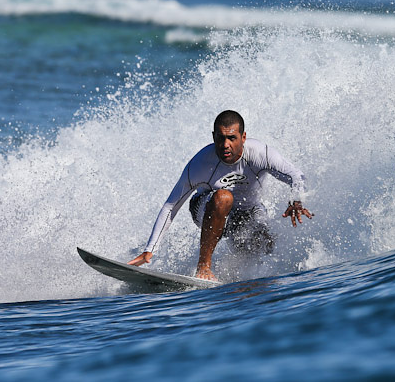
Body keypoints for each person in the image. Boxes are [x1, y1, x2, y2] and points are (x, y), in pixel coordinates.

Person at [127, 110, 313, 281]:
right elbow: (170, 206)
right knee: (224, 198)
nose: (225, 145)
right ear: (213, 137)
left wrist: (296, 200)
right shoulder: (201, 162)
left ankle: (236, 278)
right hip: (206, 208)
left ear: (243, 137)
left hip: (247, 212)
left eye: (232, 138)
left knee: (265, 240)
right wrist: (149, 250)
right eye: (220, 138)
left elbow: (297, 176)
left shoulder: (260, 154)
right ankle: (203, 268)